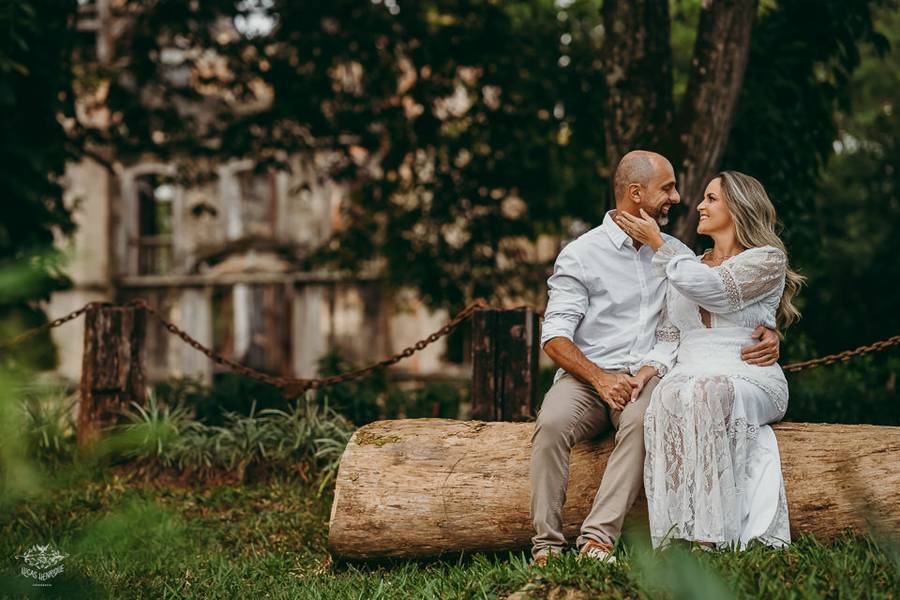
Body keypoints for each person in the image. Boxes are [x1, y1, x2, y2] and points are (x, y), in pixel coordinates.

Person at [530, 152, 781, 566]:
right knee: (552, 424)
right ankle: (546, 546)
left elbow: (698, 313)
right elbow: (554, 337)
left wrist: (769, 330)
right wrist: (599, 378)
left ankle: (597, 540)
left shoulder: (676, 253)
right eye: (667, 188)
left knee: (641, 423)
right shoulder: (581, 253)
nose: (678, 198)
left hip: (650, 377)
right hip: (586, 376)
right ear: (636, 193)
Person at [615, 170, 803, 550]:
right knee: (665, 397)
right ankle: (673, 538)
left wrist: (659, 246)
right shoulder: (689, 263)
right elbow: (671, 335)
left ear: (738, 206)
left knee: (707, 391)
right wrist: (645, 375)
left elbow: (717, 293)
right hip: (689, 369)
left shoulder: (766, 259)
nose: (699, 205)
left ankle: (713, 538)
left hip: (747, 373)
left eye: (711, 198)